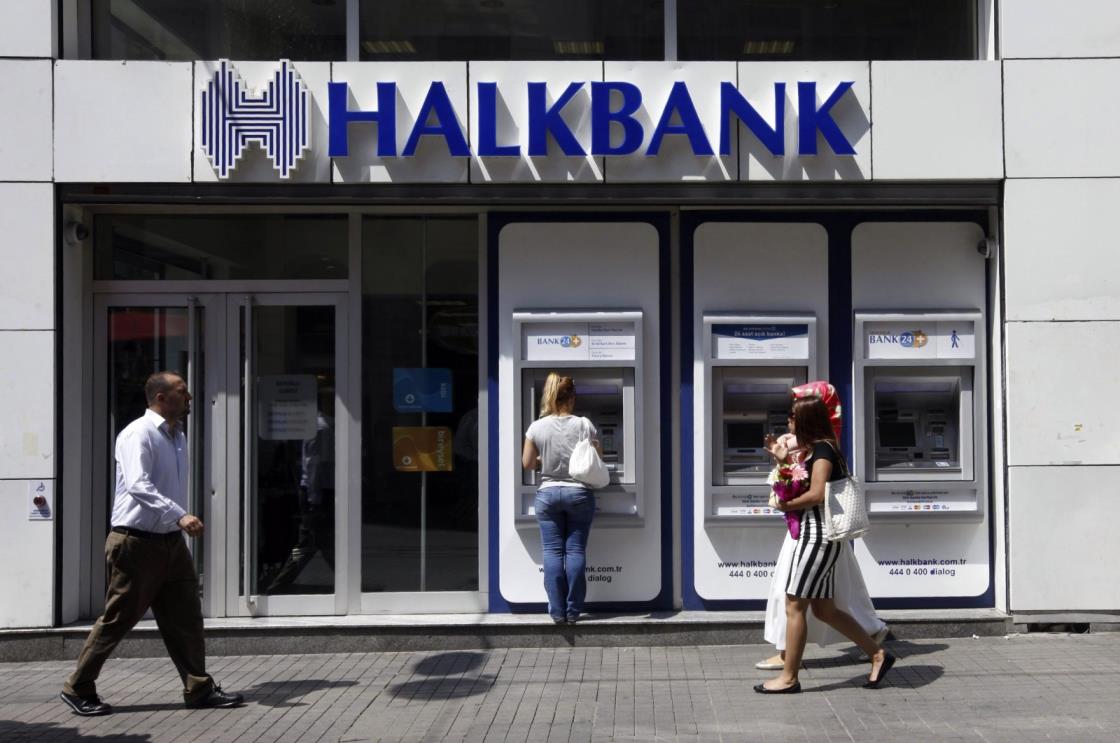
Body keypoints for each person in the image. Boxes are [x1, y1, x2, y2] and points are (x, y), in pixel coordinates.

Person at [60, 372, 243, 716]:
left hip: (169, 543)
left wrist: (175, 523)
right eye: (182, 392)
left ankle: (198, 687)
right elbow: (138, 485)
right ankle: (78, 686)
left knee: (186, 617)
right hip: (135, 542)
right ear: (161, 397)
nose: (189, 398)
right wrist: (180, 515)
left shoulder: (178, 437)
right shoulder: (137, 434)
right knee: (118, 619)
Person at [755, 394, 897, 694]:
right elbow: (801, 481)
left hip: (817, 537)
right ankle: (877, 654)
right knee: (823, 609)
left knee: (794, 603)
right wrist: (783, 462)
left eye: (793, 416)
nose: (789, 421)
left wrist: (786, 504)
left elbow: (818, 494)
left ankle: (789, 677)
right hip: (816, 536)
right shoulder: (816, 449)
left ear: (806, 419)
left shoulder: (823, 451)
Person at [521, 372, 601, 625]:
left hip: (547, 495)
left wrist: (544, 460)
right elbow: (596, 455)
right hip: (578, 493)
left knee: (552, 552)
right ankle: (574, 611)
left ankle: (557, 612)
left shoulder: (536, 426)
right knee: (575, 550)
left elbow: (527, 463)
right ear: (572, 398)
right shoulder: (583, 424)